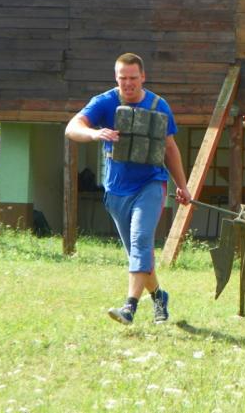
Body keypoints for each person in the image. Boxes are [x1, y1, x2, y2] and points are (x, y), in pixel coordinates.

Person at [65, 53, 191, 326]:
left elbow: (170, 149)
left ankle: (129, 307)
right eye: (123, 78)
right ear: (116, 78)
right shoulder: (105, 102)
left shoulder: (159, 105)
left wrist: (183, 186)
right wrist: (94, 134)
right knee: (137, 252)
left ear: (143, 77)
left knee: (141, 239)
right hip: (116, 190)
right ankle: (158, 296)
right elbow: (72, 127)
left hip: (151, 184)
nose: (128, 83)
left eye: (133, 78)